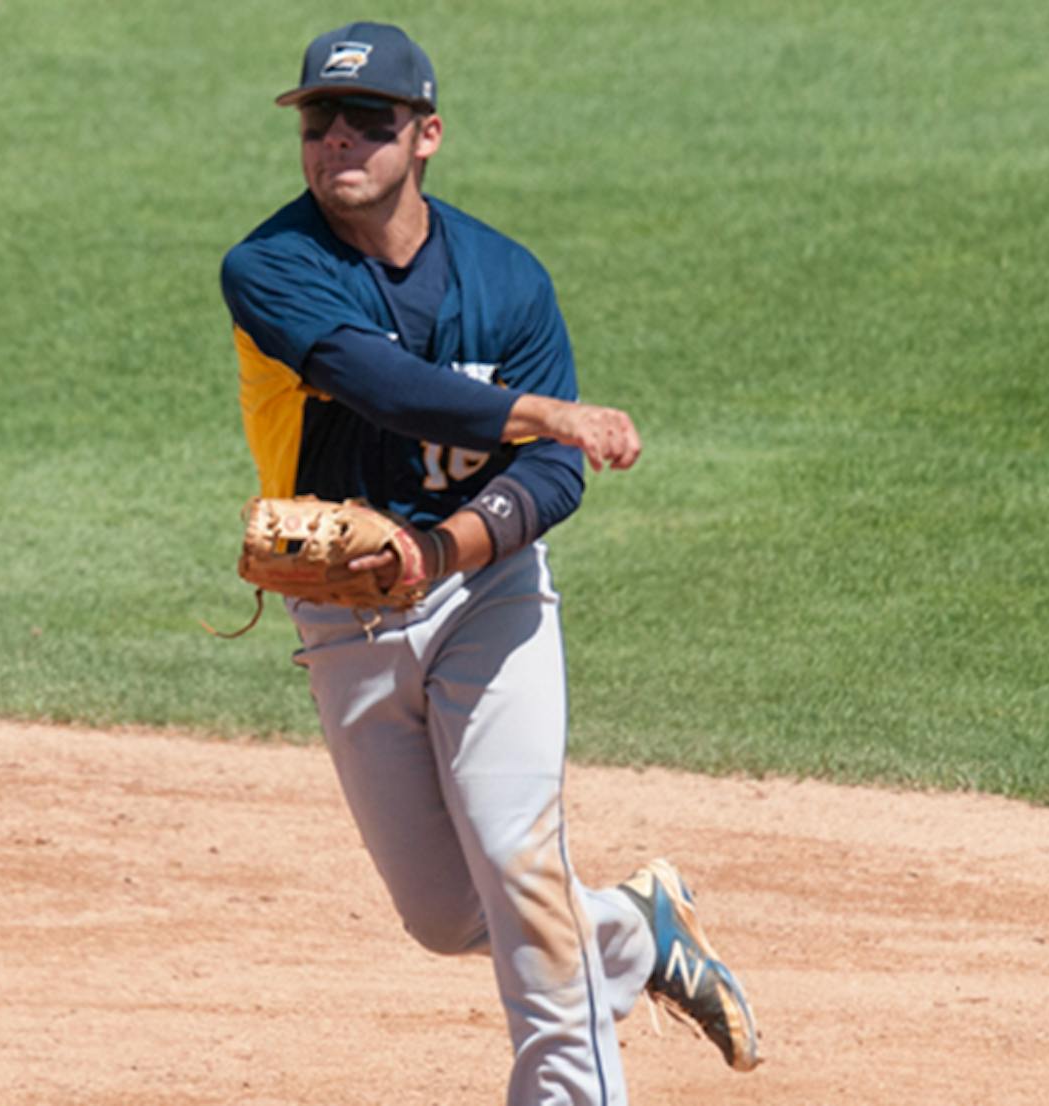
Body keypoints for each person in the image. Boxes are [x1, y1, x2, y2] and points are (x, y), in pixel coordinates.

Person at [217, 21, 762, 1105]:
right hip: (345, 615)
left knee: (515, 866)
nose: (335, 143)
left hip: (489, 595)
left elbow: (550, 482)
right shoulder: (269, 267)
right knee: (443, 913)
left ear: (424, 135)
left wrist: (440, 547)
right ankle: (630, 925)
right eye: (317, 122)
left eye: (365, 123)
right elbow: (371, 380)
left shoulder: (505, 280)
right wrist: (538, 410)